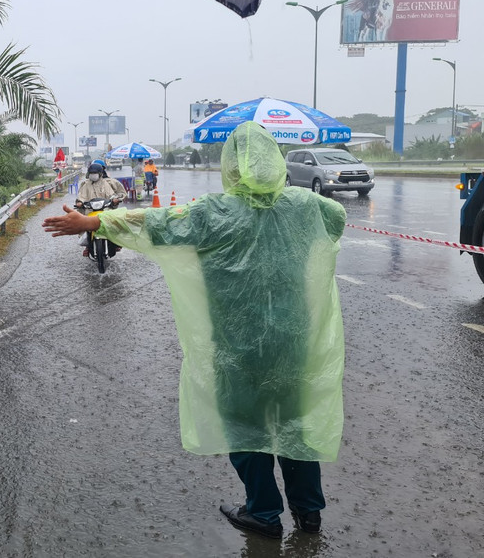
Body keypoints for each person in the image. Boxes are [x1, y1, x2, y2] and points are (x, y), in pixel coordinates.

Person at [43, 122, 346, 539]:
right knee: (293, 423)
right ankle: (308, 513)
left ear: (231, 167)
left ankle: (263, 512)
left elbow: (156, 222)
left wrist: (95, 224)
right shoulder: (305, 205)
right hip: (292, 339)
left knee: (246, 425)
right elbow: (338, 217)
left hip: (238, 344)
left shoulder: (213, 212)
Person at [75, 162, 126, 256]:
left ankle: (115, 242)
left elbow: (112, 194)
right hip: (90, 210)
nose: (93, 175)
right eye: (91, 173)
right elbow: (81, 195)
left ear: (100, 173)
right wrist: (80, 203)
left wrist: (115, 200)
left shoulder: (106, 183)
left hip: (105, 209)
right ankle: (87, 246)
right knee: (84, 224)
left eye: (95, 173)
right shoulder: (85, 184)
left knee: (114, 222)